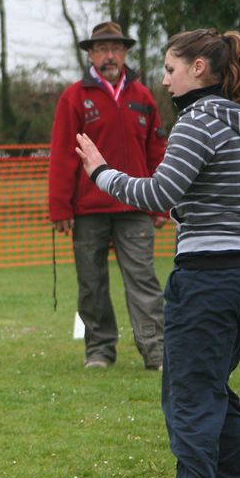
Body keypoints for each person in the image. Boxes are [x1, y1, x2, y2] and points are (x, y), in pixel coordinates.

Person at [75, 28, 240, 478]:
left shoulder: (198, 121)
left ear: (199, 68)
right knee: (211, 386)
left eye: (170, 69)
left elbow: (158, 194)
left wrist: (100, 171)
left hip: (206, 279)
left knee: (189, 398)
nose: (164, 81)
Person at [48, 21, 168, 370]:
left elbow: (156, 152)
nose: (110, 55)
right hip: (88, 209)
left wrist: (162, 203)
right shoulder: (74, 97)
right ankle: (99, 350)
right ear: (90, 54)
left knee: (143, 280)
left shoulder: (143, 96)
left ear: (126, 53)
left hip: (136, 205)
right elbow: (61, 155)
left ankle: (156, 351)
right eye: (102, 49)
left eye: (116, 48)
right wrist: (60, 207)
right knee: (91, 283)